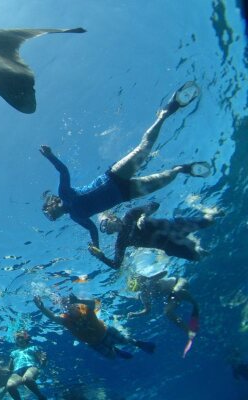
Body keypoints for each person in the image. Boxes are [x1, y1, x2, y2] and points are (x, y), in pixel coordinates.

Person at [40, 81, 210, 248]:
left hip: (113, 177)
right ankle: (181, 169)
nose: (52, 217)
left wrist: (50, 156)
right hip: (125, 194)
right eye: (51, 218)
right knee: (163, 181)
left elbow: (63, 171)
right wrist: (96, 247)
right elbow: (93, 229)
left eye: (47, 213)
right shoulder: (76, 218)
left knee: (144, 148)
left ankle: (165, 112)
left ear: (51, 204)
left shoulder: (63, 193)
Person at [89, 202, 215, 269]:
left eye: (105, 223)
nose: (106, 228)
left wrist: (144, 215)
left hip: (173, 225)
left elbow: (154, 205)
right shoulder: (121, 242)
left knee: (209, 221)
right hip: (168, 246)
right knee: (199, 257)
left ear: (113, 217)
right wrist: (101, 257)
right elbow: (116, 265)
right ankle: (200, 247)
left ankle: (209, 212)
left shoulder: (130, 215)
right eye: (104, 229)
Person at [34, 295, 155, 359]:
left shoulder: (86, 310)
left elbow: (93, 303)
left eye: (72, 306)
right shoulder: (66, 320)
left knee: (126, 340)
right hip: (94, 343)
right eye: (67, 308)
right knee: (112, 356)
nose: (70, 309)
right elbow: (53, 317)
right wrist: (42, 308)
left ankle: (138, 343)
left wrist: (78, 299)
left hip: (106, 331)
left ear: (76, 306)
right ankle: (116, 350)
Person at [125, 271, 199, 338]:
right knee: (167, 312)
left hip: (179, 282)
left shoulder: (150, 279)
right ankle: (188, 331)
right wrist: (135, 314)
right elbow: (147, 310)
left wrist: (151, 278)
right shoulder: (144, 296)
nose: (142, 288)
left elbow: (165, 272)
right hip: (173, 295)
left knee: (176, 290)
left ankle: (195, 304)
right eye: (137, 288)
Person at [5, 330, 47, 400]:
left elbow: (42, 363)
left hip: (31, 367)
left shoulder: (33, 348)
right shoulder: (13, 353)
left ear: (26, 338)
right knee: (10, 386)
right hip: (17, 371)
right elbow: (10, 368)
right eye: (17, 338)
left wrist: (44, 361)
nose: (20, 339)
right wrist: (6, 371)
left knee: (27, 379)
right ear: (16, 341)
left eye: (21, 337)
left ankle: (40, 396)